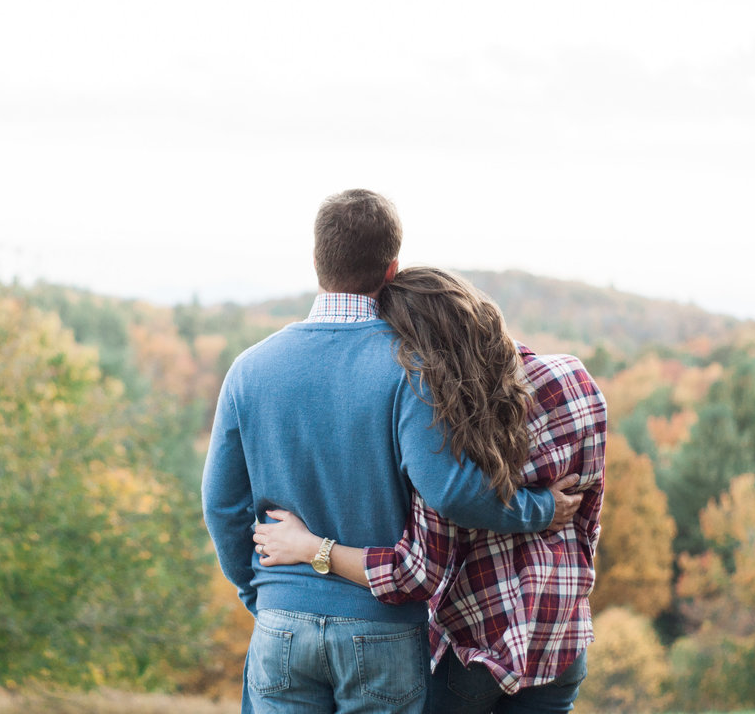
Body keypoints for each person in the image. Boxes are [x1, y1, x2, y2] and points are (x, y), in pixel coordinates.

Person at [201, 190, 582, 714]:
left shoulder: (249, 369)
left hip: (281, 618)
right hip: (380, 630)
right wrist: (540, 509)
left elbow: (221, 507)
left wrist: (265, 594)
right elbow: (451, 492)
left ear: (316, 260)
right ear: (392, 268)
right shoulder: (413, 369)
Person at [253, 267, 607, 714]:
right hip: (562, 636)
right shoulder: (574, 381)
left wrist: (311, 548)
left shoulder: (443, 424)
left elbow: (417, 574)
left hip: (475, 648)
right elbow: (587, 518)